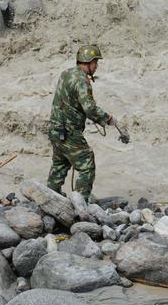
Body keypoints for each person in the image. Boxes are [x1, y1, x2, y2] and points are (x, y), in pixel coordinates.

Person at [47, 44, 118, 201]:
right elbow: (90, 108)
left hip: (55, 129)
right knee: (86, 163)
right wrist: (108, 119)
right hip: (69, 132)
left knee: (60, 165)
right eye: (95, 62)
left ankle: (49, 200)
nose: (97, 66)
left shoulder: (66, 74)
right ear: (88, 62)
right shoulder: (82, 81)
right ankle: (81, 204)